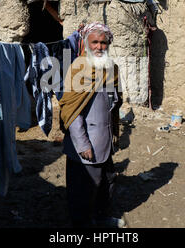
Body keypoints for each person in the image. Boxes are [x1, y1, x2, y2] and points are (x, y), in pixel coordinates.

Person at [59, 22, 124, 228]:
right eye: (94, 42)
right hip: (86, 142)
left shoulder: (111, 68)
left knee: (107, 181)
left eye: (103, 42)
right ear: (86, 43)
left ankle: (102, 217)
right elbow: (71, 110)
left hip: (104, 139)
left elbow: (114, 104)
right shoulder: (78, 68)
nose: (99, 47)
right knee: (83, 187)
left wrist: (114, 132)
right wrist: (82, 144)